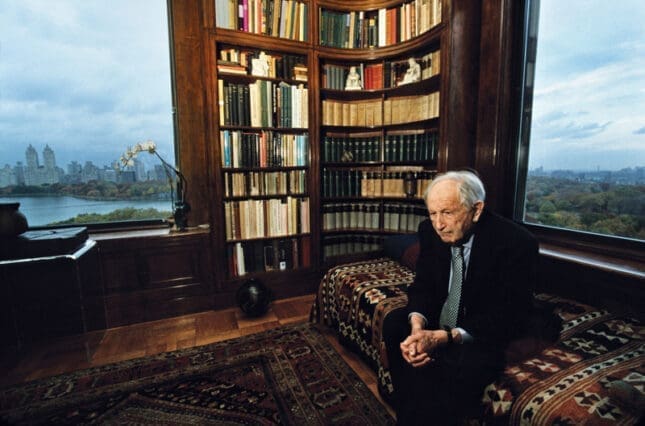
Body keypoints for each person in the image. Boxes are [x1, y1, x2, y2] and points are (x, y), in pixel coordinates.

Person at [382, 170, 538, 425]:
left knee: (462, 361)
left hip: (479, 327)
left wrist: (447, 337)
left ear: (476, 210)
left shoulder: (516, 243)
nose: (439, 224)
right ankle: (407, 412)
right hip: (441, 316)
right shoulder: (430, 231)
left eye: (448, 212)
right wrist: (418, 328)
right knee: (395, 325)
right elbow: (424, 285)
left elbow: (507, 314)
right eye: (433, 213)